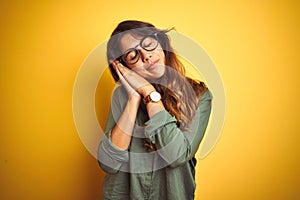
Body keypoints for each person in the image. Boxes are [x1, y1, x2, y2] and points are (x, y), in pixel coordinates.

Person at [97, 20, 212, 200]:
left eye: (148, 43)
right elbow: (109, 164)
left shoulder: (199, 95)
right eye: (133, 55)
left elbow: (177, 156)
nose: (146, 56)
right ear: (125, 67)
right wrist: (135, 98)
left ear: (161, 42)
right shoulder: (121, 96)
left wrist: (149, 93)